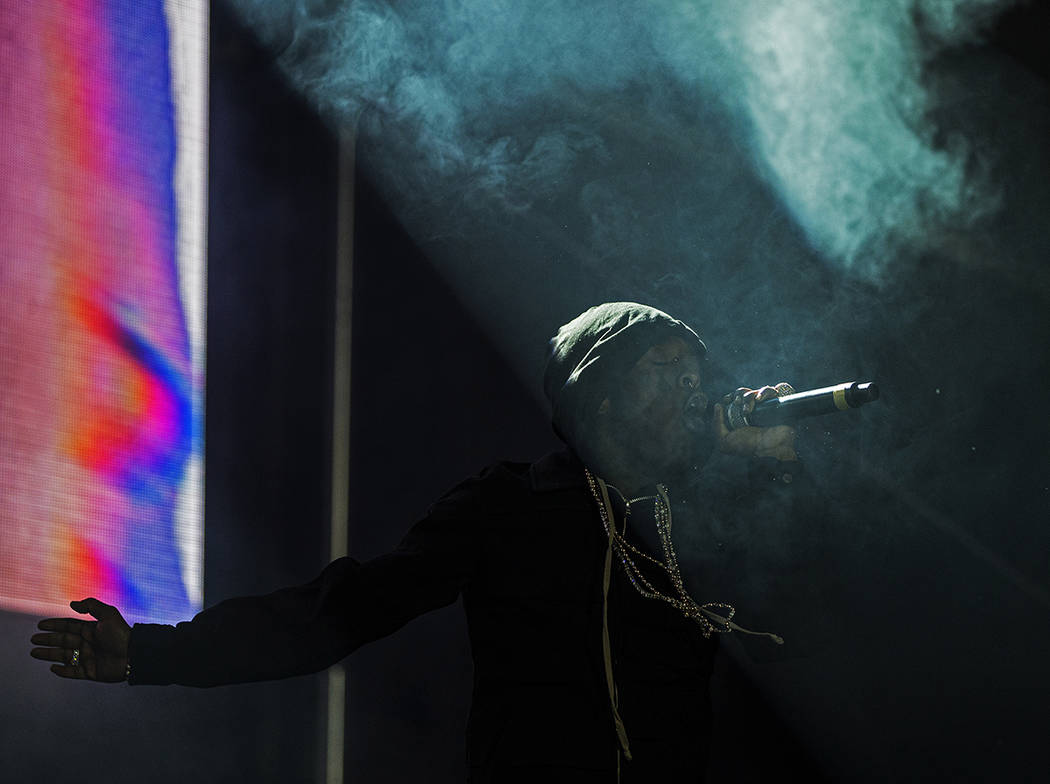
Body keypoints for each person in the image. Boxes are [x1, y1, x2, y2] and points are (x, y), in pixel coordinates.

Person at [30, 302, 802, 783]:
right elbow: (346, 609)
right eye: (668, 373)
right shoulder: (511, 504)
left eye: (698, 376)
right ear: (598, 394)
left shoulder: (704, 519)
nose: (694, 393)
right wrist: (154, 654)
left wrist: (774, 475)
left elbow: (794, 642)